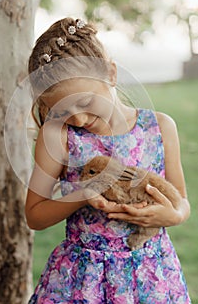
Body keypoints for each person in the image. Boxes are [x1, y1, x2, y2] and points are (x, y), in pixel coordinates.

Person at [25, 17, 191, 303]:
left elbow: (181, 201)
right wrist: (80, 195)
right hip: (82, 279)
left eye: (86, 102)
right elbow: (34, 215)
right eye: (62, 110)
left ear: (111, 74)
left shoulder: (160, 128)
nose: (77, 118)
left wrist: (173, 216)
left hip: (151, 275)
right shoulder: (59, 137)